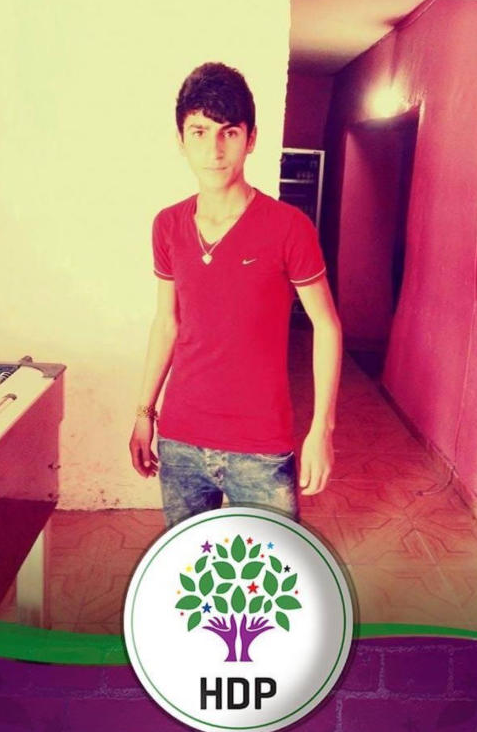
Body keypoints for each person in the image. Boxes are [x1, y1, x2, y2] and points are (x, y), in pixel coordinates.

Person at [129, 62, 342, 526]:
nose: (214, 150)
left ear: (251, 138)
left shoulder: (289, 228)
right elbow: (167, 323)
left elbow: (326, 325)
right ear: (181, 140)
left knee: (270, 565)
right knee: (191, 564)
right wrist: (145, 412)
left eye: (229, 132)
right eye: (199, 132)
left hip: (261, 447)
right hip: (181, 440)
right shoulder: (168, 225)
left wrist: (321, 429)